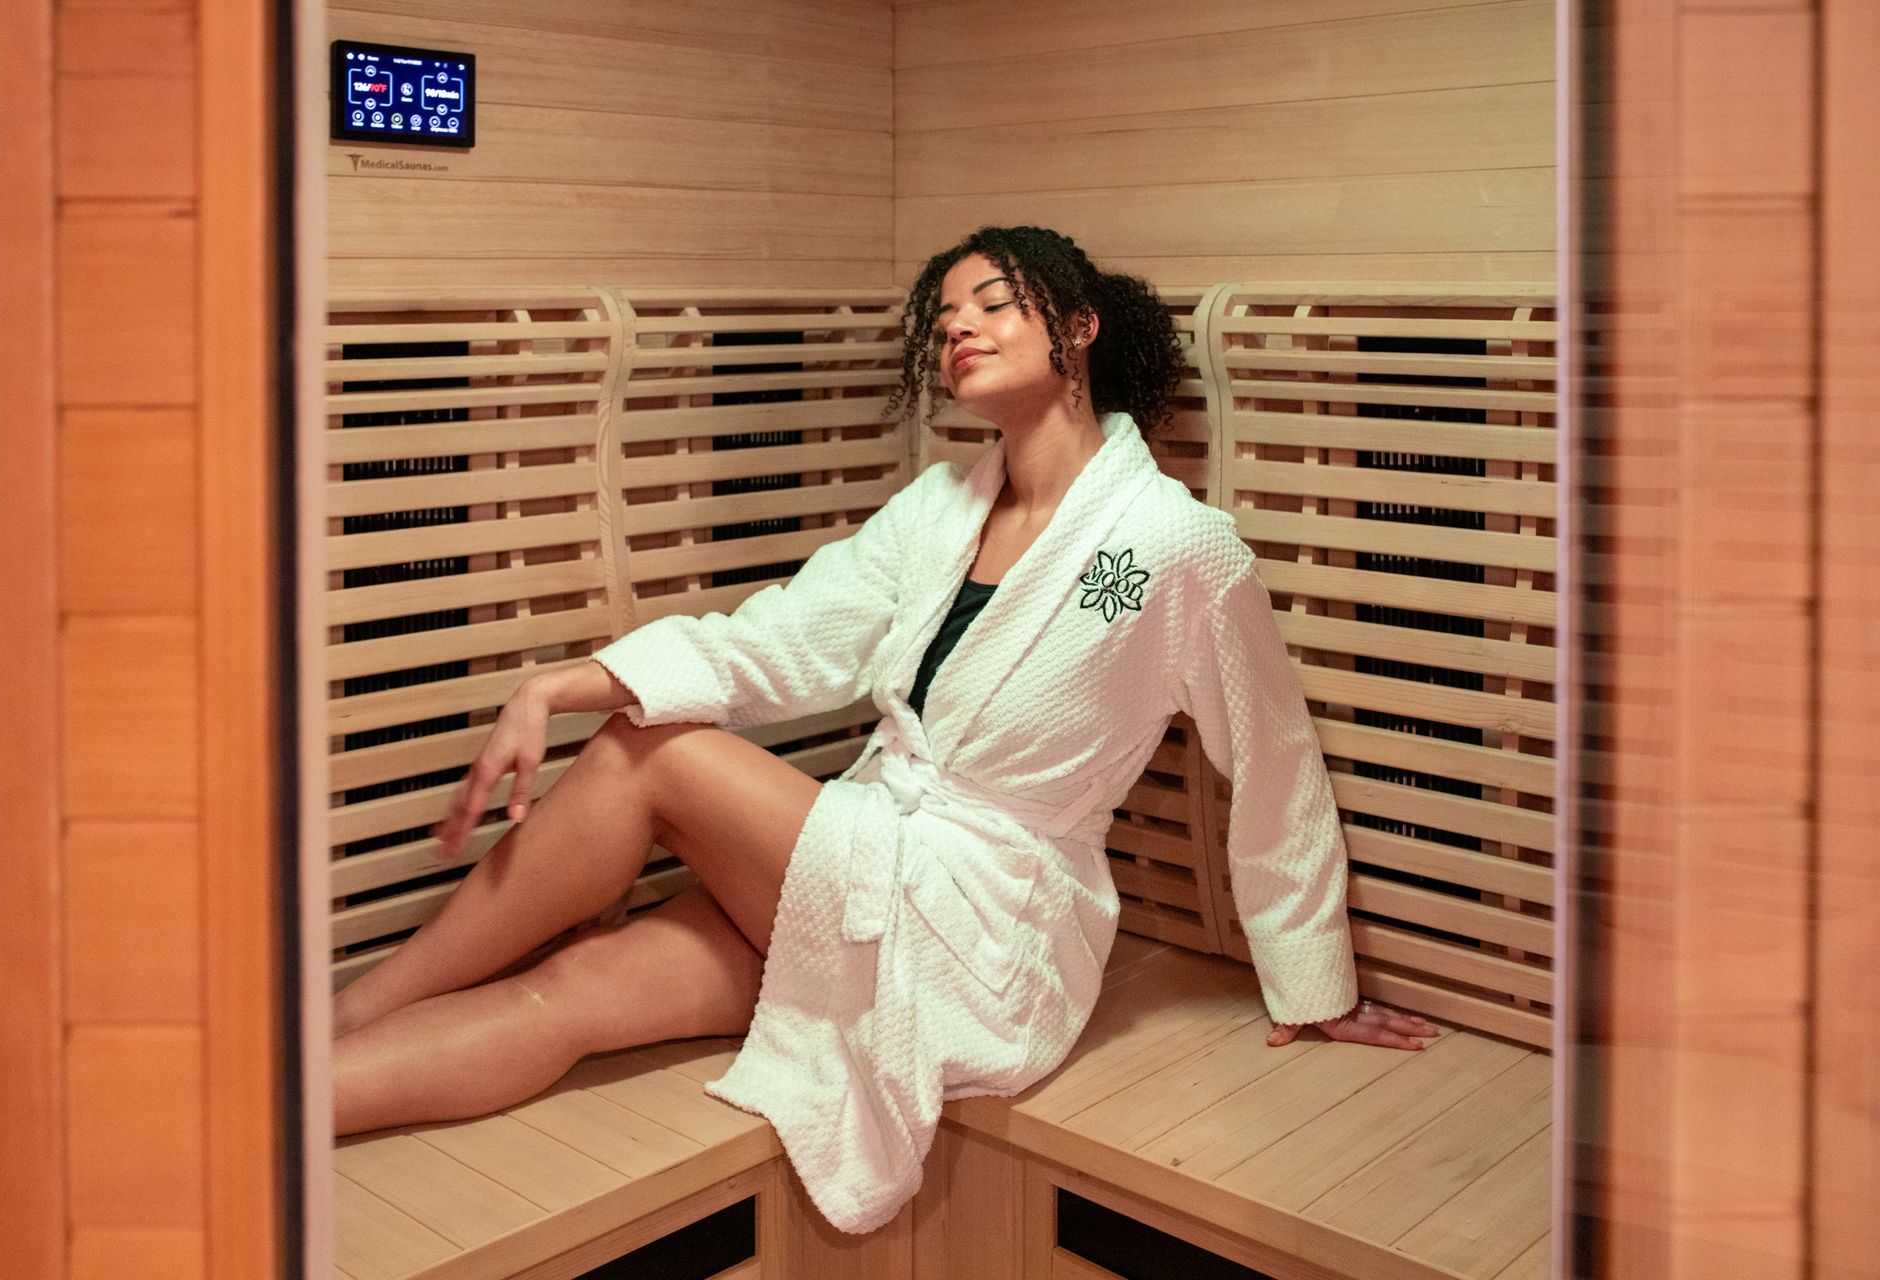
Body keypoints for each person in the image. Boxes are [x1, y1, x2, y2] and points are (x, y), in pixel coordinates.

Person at [330, 225, 1437, 1233]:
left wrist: (1314, 981)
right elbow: (780, 640)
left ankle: (351, 1007)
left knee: (642, 752)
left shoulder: (1171, 544)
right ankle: (284, 1094)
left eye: (993, 303)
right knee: (568, 991)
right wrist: (570, 679)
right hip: (867, 865)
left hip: (989, 919)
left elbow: (1276, 757)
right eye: (944, 318)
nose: (960, 329)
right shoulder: (939, 508)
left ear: (1079, 327)